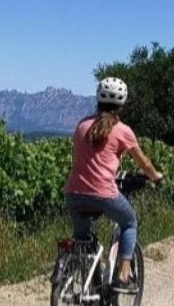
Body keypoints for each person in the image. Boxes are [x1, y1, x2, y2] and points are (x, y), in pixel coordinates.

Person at [63, 77, 163, 286]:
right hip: (103, 193)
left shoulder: (82, 125)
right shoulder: (123, 130)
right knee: (129, 222)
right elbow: (143, 163)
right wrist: (155, 176)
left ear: (97, 99)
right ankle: (124, 272)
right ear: (122, 103)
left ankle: (80, 276)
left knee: (81, 238)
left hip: (73, 193)